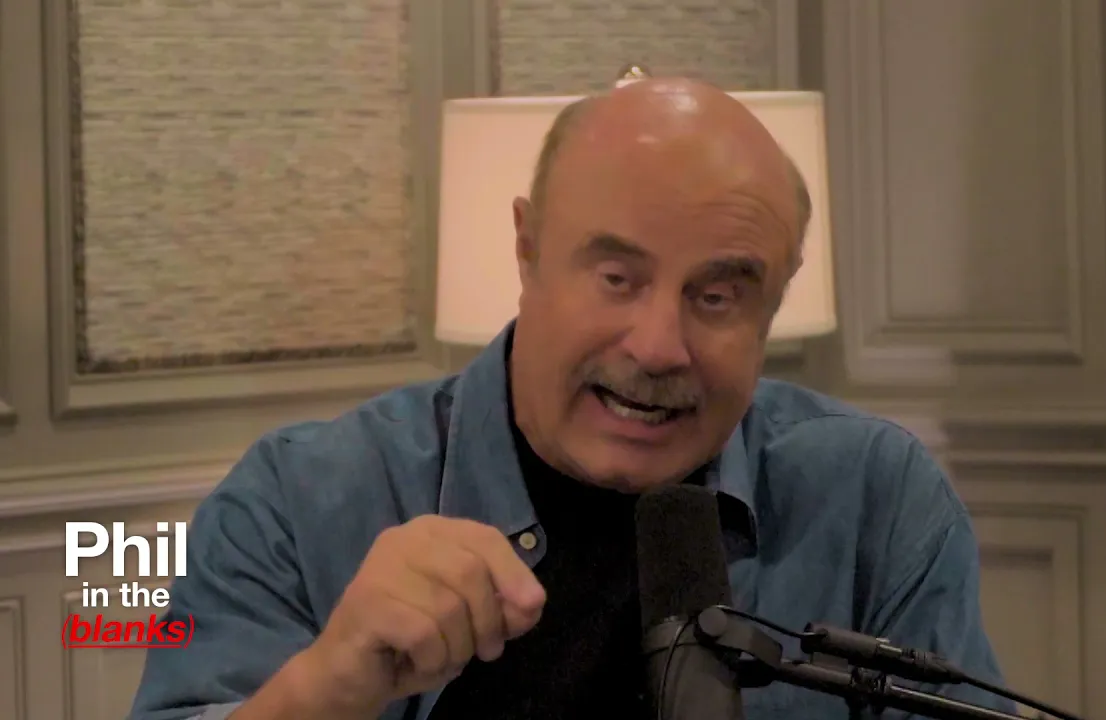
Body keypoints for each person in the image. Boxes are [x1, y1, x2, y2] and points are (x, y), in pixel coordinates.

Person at [128, 77, 1014, 720]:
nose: (658, 347)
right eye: (617, 277)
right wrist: (329, 688)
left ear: (774, 304)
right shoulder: (299, 501)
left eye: (716, 297)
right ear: (527, 250)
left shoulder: (875, 501)